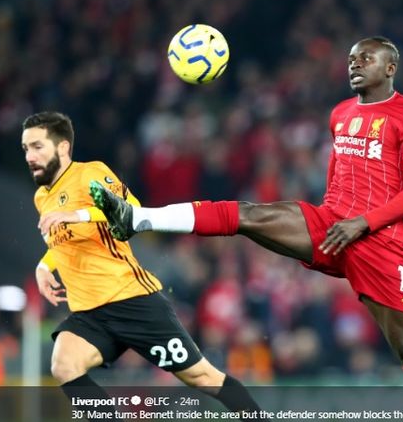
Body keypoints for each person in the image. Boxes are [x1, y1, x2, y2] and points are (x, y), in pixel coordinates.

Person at [91, 36, 403, 408]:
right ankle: (139, 218)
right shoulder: (341, 113)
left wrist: (362, 223)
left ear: (390, 68)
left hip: (379, 243)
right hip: (331, 224)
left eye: (366, 58)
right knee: (249, 215)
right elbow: (337, 171)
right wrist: (329, 216)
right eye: (351, 58)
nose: (355, 64)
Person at [21, 111, 268, 422]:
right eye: (26, 148)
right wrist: (44, 267)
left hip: (132, 300)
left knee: (203, 377)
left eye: (37, 146)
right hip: (90, 312)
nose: (30, 156)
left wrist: (80, 214)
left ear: (62, 148)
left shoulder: (90, 174)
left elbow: (133, 211)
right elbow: (63, 240)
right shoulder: (42, 197)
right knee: (64, 365)